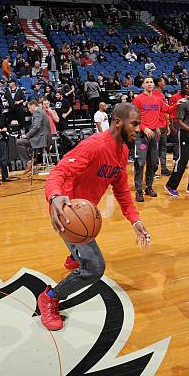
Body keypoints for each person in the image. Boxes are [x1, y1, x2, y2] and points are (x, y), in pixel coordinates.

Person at [40, 102, 150, 331]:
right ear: (118, 122)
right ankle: (50, 297)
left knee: (85, 254)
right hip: (67, 213)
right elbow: (59, 172)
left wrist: (135, 219)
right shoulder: (95, 146)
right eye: (134, 124)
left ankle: (76, 255)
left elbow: (121, 190)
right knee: (95, 268)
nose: (138, 129)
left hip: (84, 214)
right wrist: (54, 198)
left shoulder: (123, 151)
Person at [132, 77, 168, 202]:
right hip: (141, 135)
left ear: (154, 85)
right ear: (143, 85)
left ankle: (148, 187)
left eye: (151, 82)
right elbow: (133, 117)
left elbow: (167, 110)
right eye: (147, 82)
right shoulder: (138, 99)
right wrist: (143, 128)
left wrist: (179, 104)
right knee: (140, 163)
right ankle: (138, 190)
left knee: (153, 162)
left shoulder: (157, 99)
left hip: (153, 135)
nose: (149, 84)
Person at [16, 100, 52, 173]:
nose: (29, 110)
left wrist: (26, 136)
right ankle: (34, 159)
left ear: (33, 106)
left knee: (19, 142)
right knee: (27, 142)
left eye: (29, 108)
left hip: (41, 139)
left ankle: (29, 161)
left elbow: (36, 127)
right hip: (43, 137)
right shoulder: (41, 111)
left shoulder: (37, 112)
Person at [153, 77, 172, 177]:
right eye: (164, 81)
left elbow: (164, 111)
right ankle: (153, 170)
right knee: (155, 149)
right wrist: (155, 126)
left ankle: (164, 169)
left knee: (163, 148)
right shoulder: (154, 94)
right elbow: (154, 112)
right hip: (157, 126)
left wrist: (167, 124)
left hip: (164, 125)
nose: (165, 83)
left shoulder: (161, 95)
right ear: (159, 83)